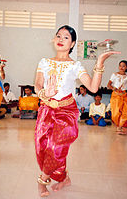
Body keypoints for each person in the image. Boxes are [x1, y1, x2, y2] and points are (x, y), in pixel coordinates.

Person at [34, 25, 120, 197]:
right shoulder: (44, 62)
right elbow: (37, 85)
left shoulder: (75, 66)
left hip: (66, 112)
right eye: (58, 36)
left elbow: (93, 88)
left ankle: (42, 181)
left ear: (72, 43)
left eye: (66, 37)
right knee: (43, 148)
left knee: (56, 146)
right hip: (46, 109)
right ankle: (64, 178)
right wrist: (44, 93)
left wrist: (100, 62)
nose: (60, 39)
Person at [107, 60, 127, 135]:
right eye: (120, 66)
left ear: (126, 67)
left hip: (124, 95)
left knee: (125, 112)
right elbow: (109, 85)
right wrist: (114, 88)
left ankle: (119, 127)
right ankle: (118, 125)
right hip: (116, 95)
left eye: (123, 66)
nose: (121, 67)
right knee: (116, 112)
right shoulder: (114, 75)